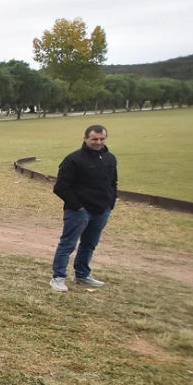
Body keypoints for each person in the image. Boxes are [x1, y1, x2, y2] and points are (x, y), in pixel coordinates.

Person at [50, 125, 117, 292]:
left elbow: (112, 183)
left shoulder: (110, 158)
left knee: (89, 244)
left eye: (102, 139)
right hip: (79, 211)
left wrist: (110, 203)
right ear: (85, 138)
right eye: (94, 139)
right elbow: (61, 187)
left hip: (102, 210)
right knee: (68, 244)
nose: (98, 142)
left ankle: (82, 275)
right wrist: (78, 207)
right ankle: (58, 277)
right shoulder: (74, 159)